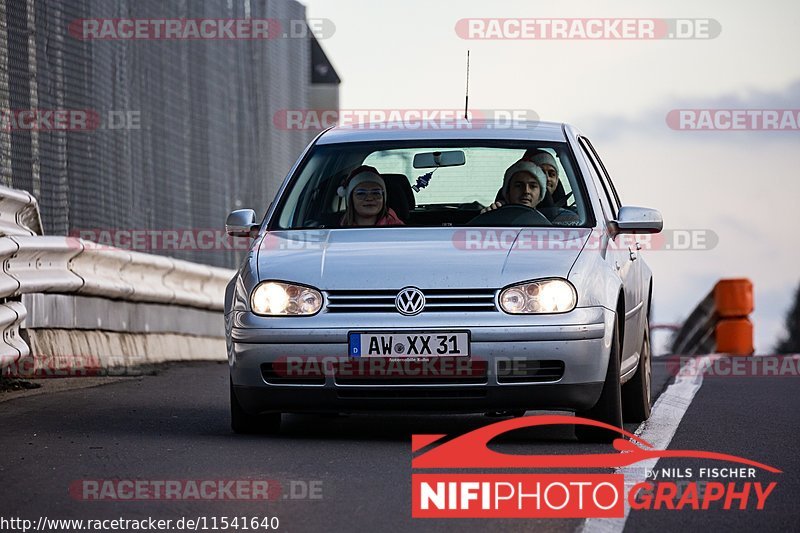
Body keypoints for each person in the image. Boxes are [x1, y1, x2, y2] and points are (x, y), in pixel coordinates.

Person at [338, 165, 405, 227]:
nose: (369, 198)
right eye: (361, 193)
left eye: (376, 193)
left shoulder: (399, 230)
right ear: (350, 199)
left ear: (384, 198)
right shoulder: (333, 231)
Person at [481, 159, 547, 213]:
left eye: (532, 186)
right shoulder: (495, 215)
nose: (526, 191)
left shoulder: (551, 225)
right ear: (508, 192)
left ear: (540, 195)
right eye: (519, 186)